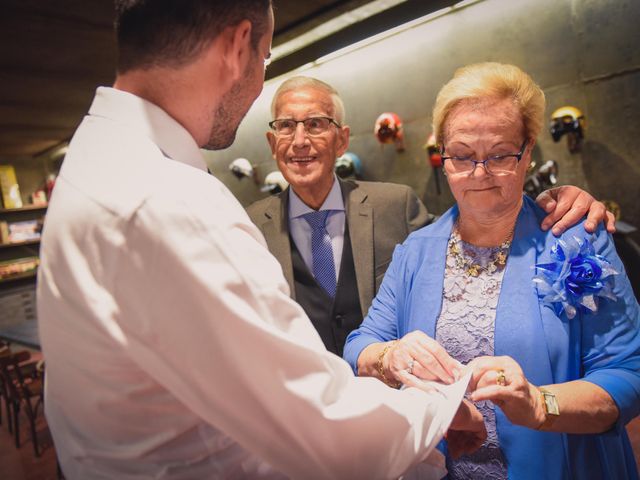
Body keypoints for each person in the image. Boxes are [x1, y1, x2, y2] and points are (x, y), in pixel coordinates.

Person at [37, 2, 487, 479]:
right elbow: (329, 432)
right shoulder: (171, 200)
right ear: (237, 47)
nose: (298, 139)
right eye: (266, 58)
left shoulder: (98, 153)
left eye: (315, 124)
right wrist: (441, 403)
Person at [344, 62, 640, 479]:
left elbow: (628, 372)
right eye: (462, 156)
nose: (479, 174)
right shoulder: (417, 251)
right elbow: (360, 346)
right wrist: (392, 358)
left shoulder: (576, 241)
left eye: (500, 155)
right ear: (443, 156)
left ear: (528, 150)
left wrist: (540, 404)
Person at [248, 76, 614, 356]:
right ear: (271, 142)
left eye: (314, 124)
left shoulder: (395, 205)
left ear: (342, 140)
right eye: (285, 125)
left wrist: (561, 199)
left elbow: (477, 230)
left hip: (400, 411)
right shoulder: (246, 228)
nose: (298, 141)